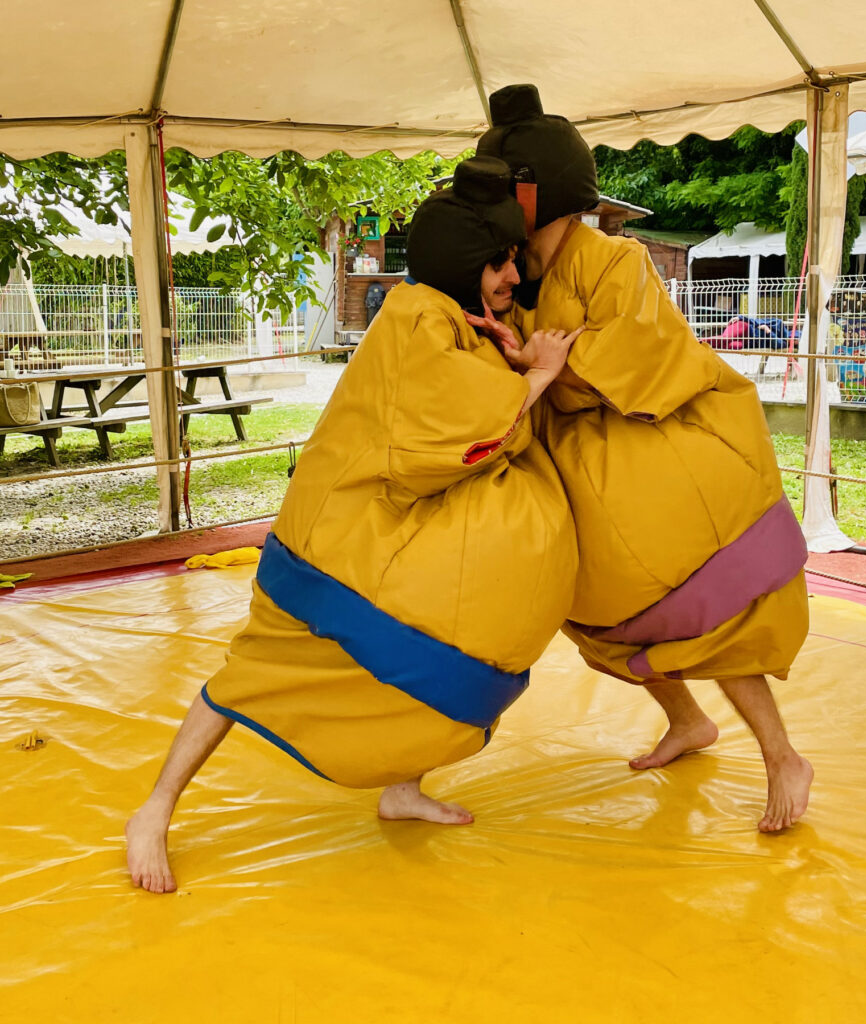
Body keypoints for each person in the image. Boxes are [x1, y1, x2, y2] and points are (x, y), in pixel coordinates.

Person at [126, 156, 580, 893]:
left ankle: (400, 789)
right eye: (497, 261)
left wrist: (515, 360)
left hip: (373, 528)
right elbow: (456, 422)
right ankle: (154, 809)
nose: (509, 276)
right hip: (333, 544)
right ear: (461, 260)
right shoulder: (417, 319)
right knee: (253, 676)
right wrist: (537, 376)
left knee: (432, 631)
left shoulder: (452, 318)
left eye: (510, 261)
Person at [477, 85, 813, 832]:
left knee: (699, 606)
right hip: (579, 480)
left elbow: (640, 352)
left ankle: (783, 754)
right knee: (606, 624)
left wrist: (552, 362)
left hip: (649, 458)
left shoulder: (615, 260)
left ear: (540, 192)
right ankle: (690, 721)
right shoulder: (515, 273)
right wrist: (522, 358)